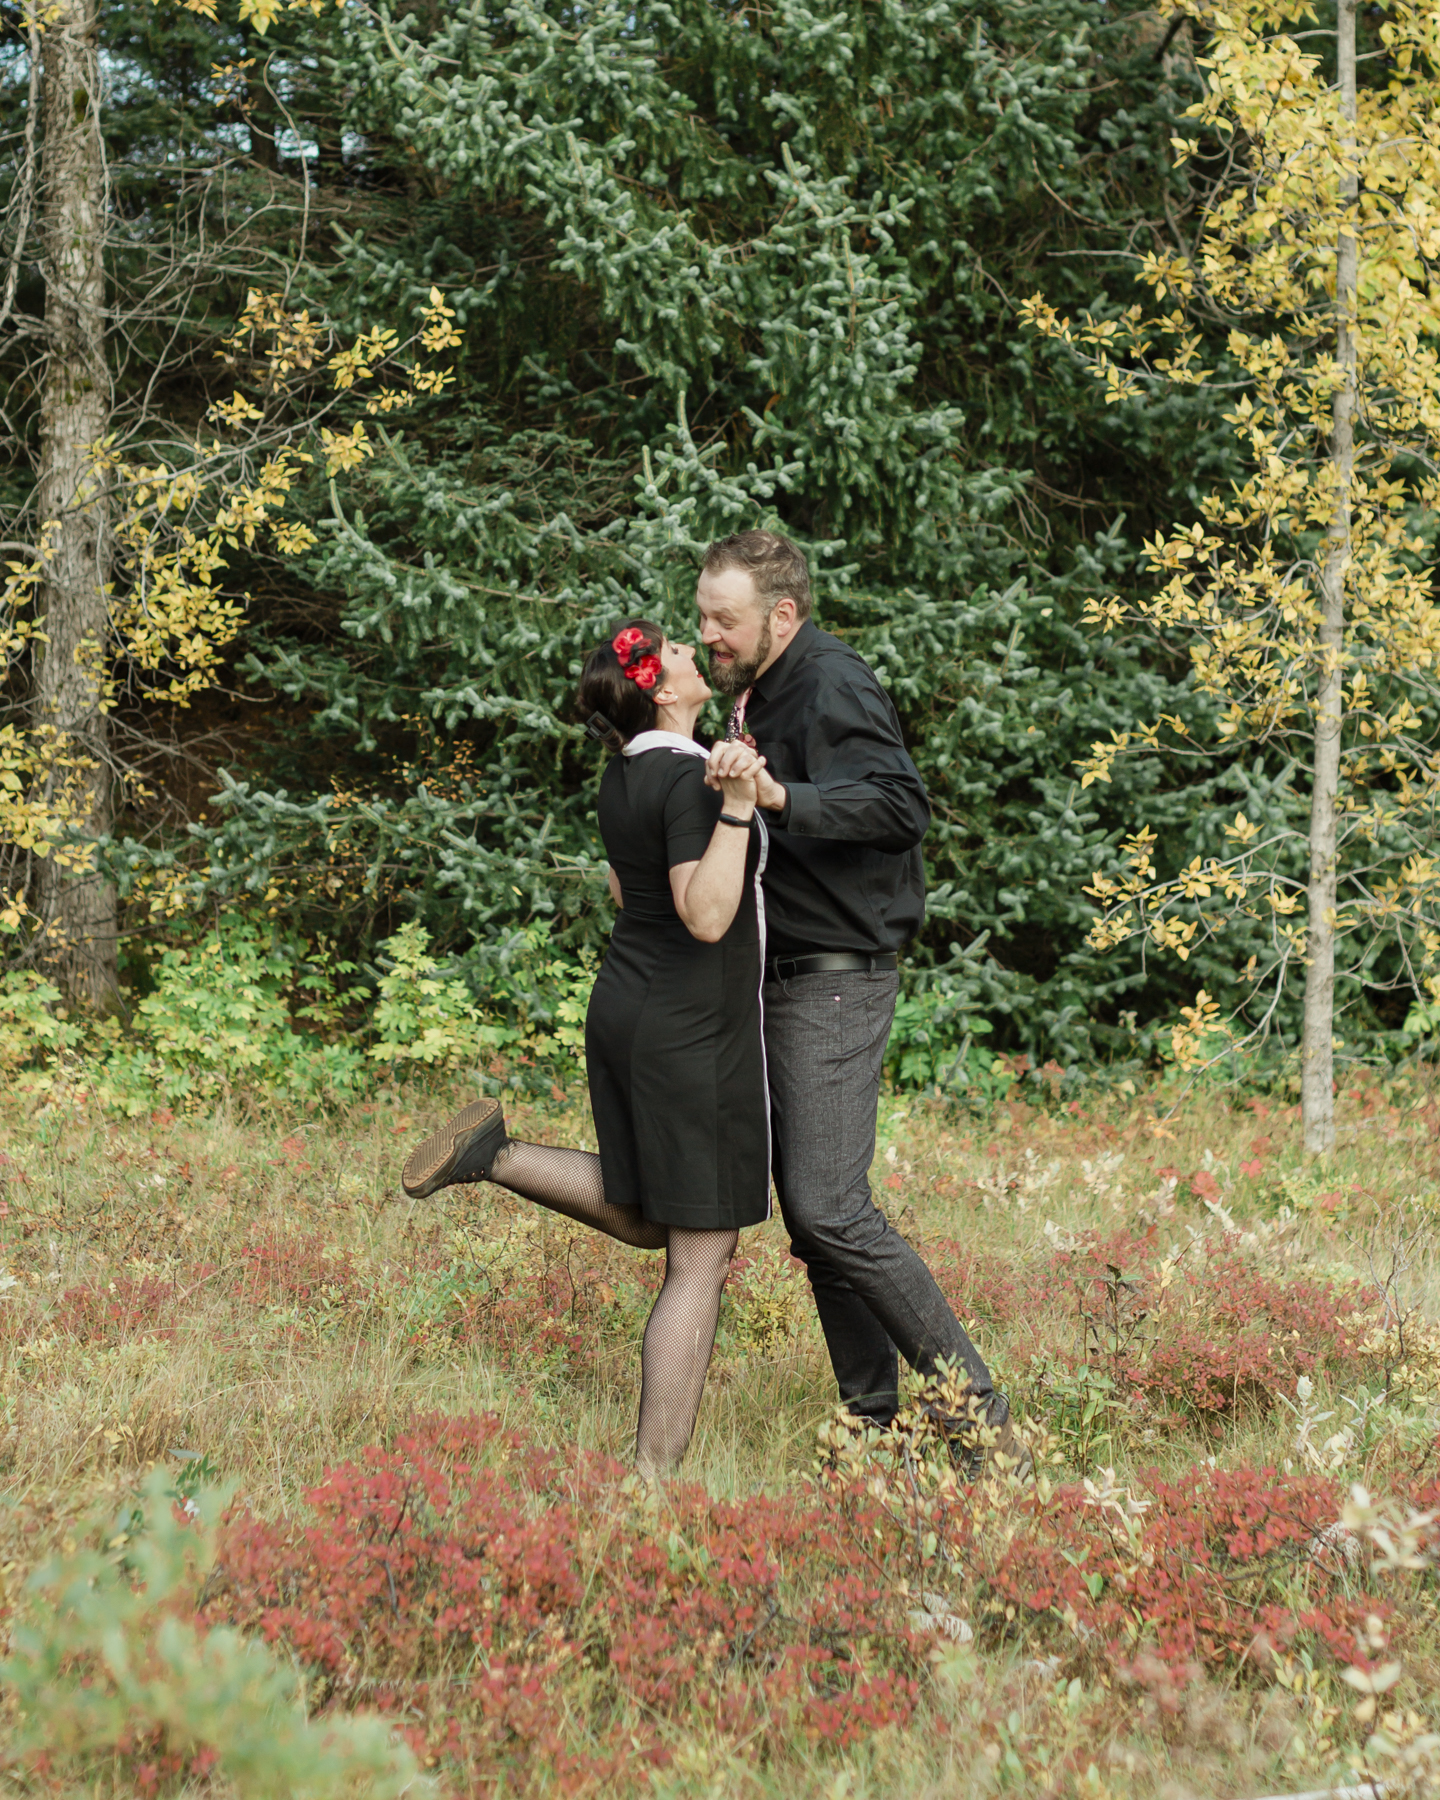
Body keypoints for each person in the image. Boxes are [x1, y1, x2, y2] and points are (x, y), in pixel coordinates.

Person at [400, 620, 771, 1478]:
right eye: (679, 653)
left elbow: (619, 883)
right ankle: (653, 1480)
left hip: (626, 1006)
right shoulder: (687, 779)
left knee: (649, 1215)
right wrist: (739, 810)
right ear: (663, 691)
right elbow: (706, 913)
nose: (692, 654)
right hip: (689, 1029)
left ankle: (494, 1155)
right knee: (700, 1256)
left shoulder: (624, 772)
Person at [699, 529, 1028, 1477]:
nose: (711, 636)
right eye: (704, 619)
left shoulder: (834, 681)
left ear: (783, 614)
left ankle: (985, 1427)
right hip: (783, 974)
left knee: (833, 1210)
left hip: (836, 979)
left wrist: (781, 800)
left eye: (726, 619)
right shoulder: (761, 684)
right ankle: (874, 1419)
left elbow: (899, 806)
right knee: (812, 1217)